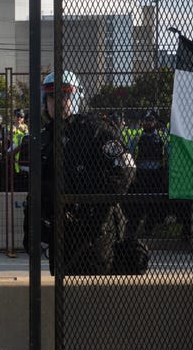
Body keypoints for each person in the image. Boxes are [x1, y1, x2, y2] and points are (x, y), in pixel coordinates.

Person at [24, 70, 145, 276]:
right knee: (61, 294)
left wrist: (98, 210)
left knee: (92, 291)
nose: (59, 101)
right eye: (53, 96)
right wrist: (32, 227)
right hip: (61, 230)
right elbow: (38, 186)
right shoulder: (45, 138)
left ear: (77, 97)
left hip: (97, 230)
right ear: (46, 100)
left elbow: (126, 168)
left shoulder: (95, 130)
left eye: (66, 95)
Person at [124, 111, 169, 238]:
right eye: (146, 120)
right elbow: (130, 155)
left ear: (155, 122)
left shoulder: (162, 138)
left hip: (157, 174)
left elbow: (168, 154)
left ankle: (149, 229)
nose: (148, 123)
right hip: (141, 174)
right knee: (138, 203)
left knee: (154, 203)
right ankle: (132, 230)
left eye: (151, 120)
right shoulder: (137, 138)